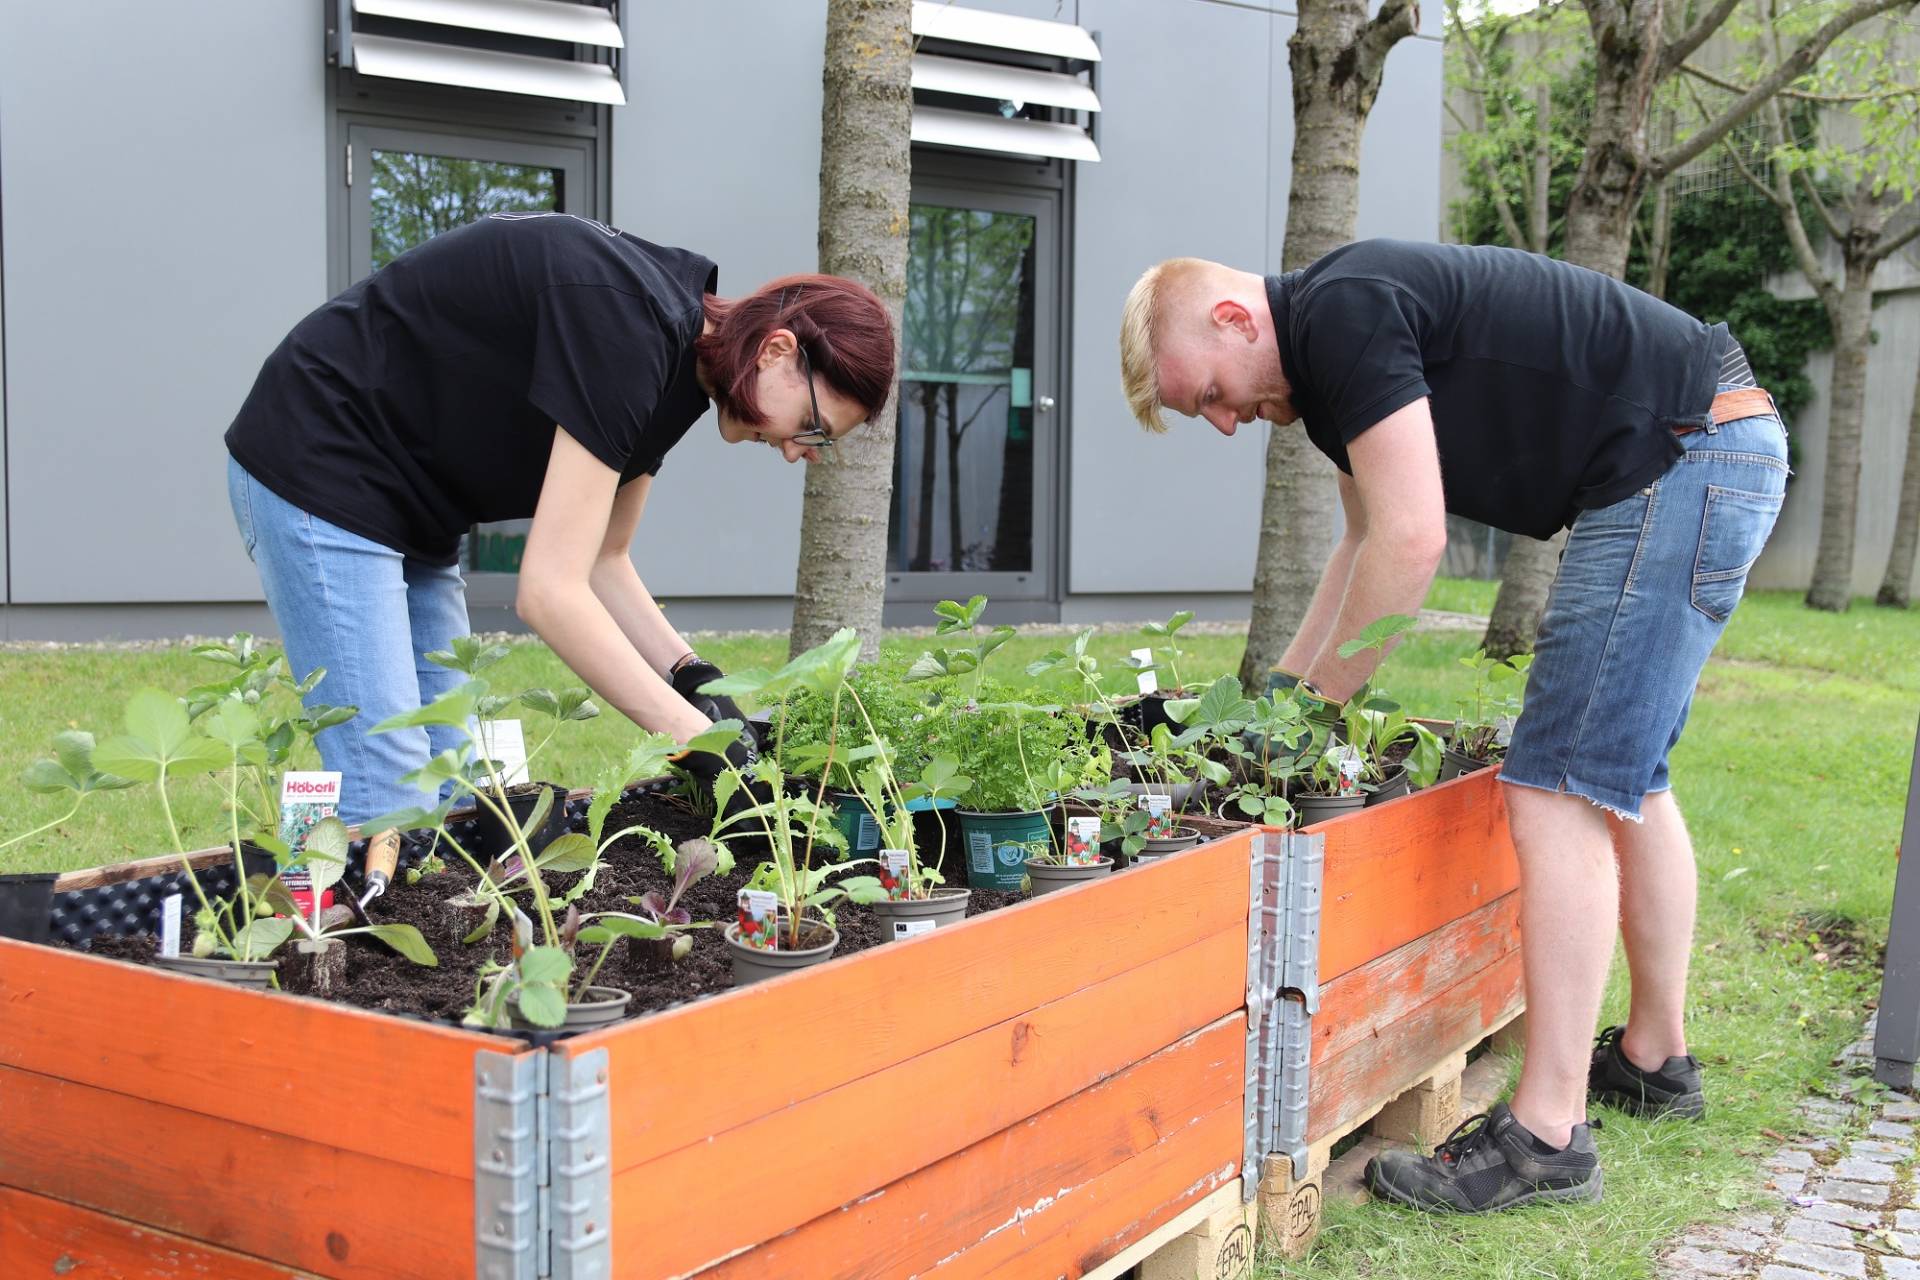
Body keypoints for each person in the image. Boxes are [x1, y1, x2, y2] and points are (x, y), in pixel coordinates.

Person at [1120, 239, 1787, 1213]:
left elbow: (1412, 539)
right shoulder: (1324, 367)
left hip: (1683, 450)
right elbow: (1358, 544)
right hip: (1705, 444)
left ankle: (1549, 1134)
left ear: (1234, 319)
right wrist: (1275, 715)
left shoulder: (1342, 314)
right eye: (1204, 415)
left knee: (1554, 783)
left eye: (1210, 393)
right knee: (1629, 774)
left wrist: (1319, 716)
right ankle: (1654, 1056)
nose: (1224, 423)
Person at [225, 211, 895, 825]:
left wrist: (696, 678)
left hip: (417, 515)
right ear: (778, 350)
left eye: (817, 444)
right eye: (811, 427)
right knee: (394, 798)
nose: (793, 452)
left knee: (456, 790)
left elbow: (604, 557)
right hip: (321, 459)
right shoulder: (630, 330)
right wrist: (697, 741)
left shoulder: (685, 374)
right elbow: (549, 592)